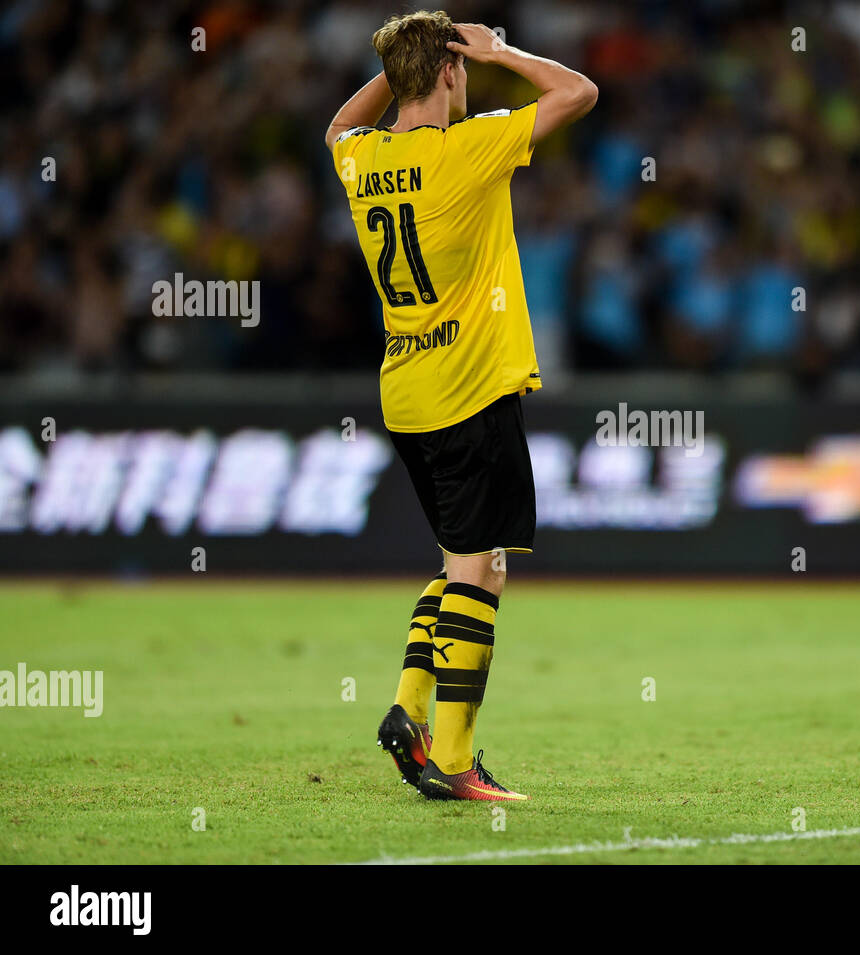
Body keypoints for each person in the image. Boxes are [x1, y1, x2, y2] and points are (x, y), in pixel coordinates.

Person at [325, 11, 597, 801]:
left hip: (405, 392)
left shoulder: (362, 157)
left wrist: (405, 68)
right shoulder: (467, 149)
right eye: (463, 67)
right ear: (451, 71)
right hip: (470, 387)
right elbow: (579, 92)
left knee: (466, 563)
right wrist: (501, 51)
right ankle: (452, 758)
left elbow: (341, 121)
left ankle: (408, 709)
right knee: (480, 573)